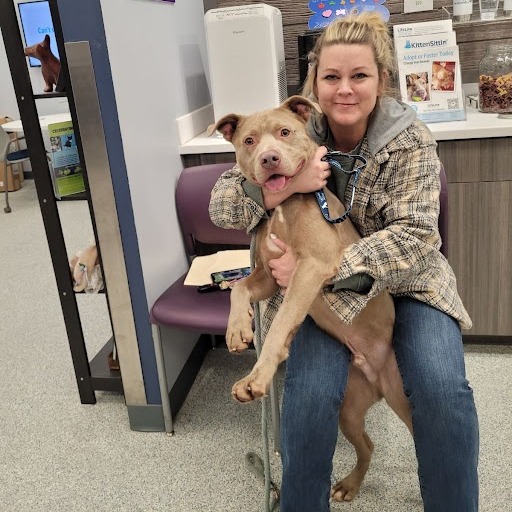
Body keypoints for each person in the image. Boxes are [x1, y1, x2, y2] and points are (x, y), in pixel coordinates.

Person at [208, 12, 479, 512]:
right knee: (308, 404)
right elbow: (223, 202)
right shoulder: (293, 128)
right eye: (332, 77)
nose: (345, 90)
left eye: (360, 76)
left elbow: (418, 235)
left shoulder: (410, 139)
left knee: (443, 396)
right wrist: (284, 189)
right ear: (314, 84)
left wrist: (326, 264)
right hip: (326, 300)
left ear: (381, 80)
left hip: (407, 287)